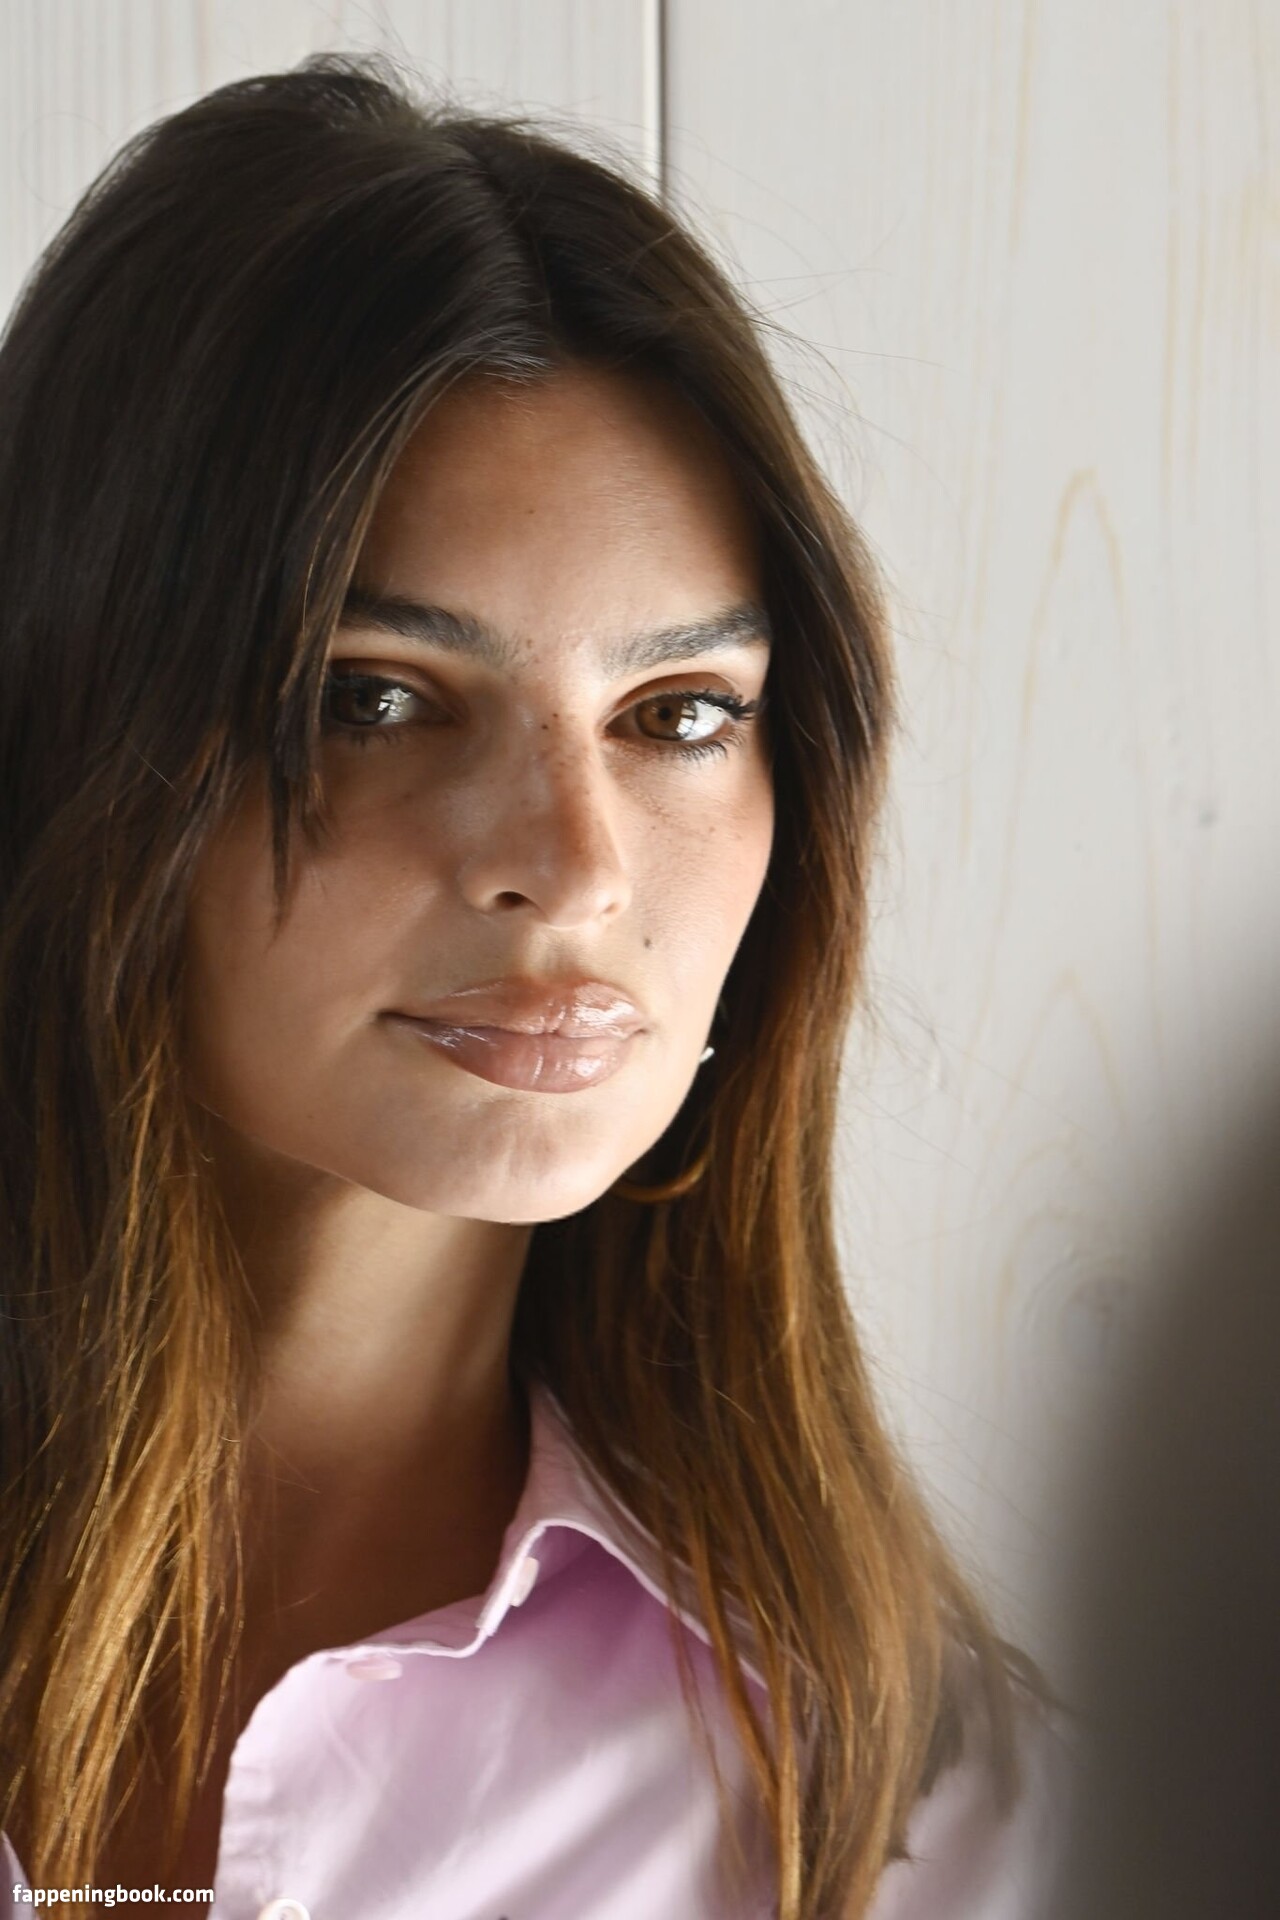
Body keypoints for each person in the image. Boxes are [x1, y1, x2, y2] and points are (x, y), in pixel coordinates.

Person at [0, 52, 1068, 1920]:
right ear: (78, 722)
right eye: (378, 699)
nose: (576, 869)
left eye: (680, 716)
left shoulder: (913, 1818)